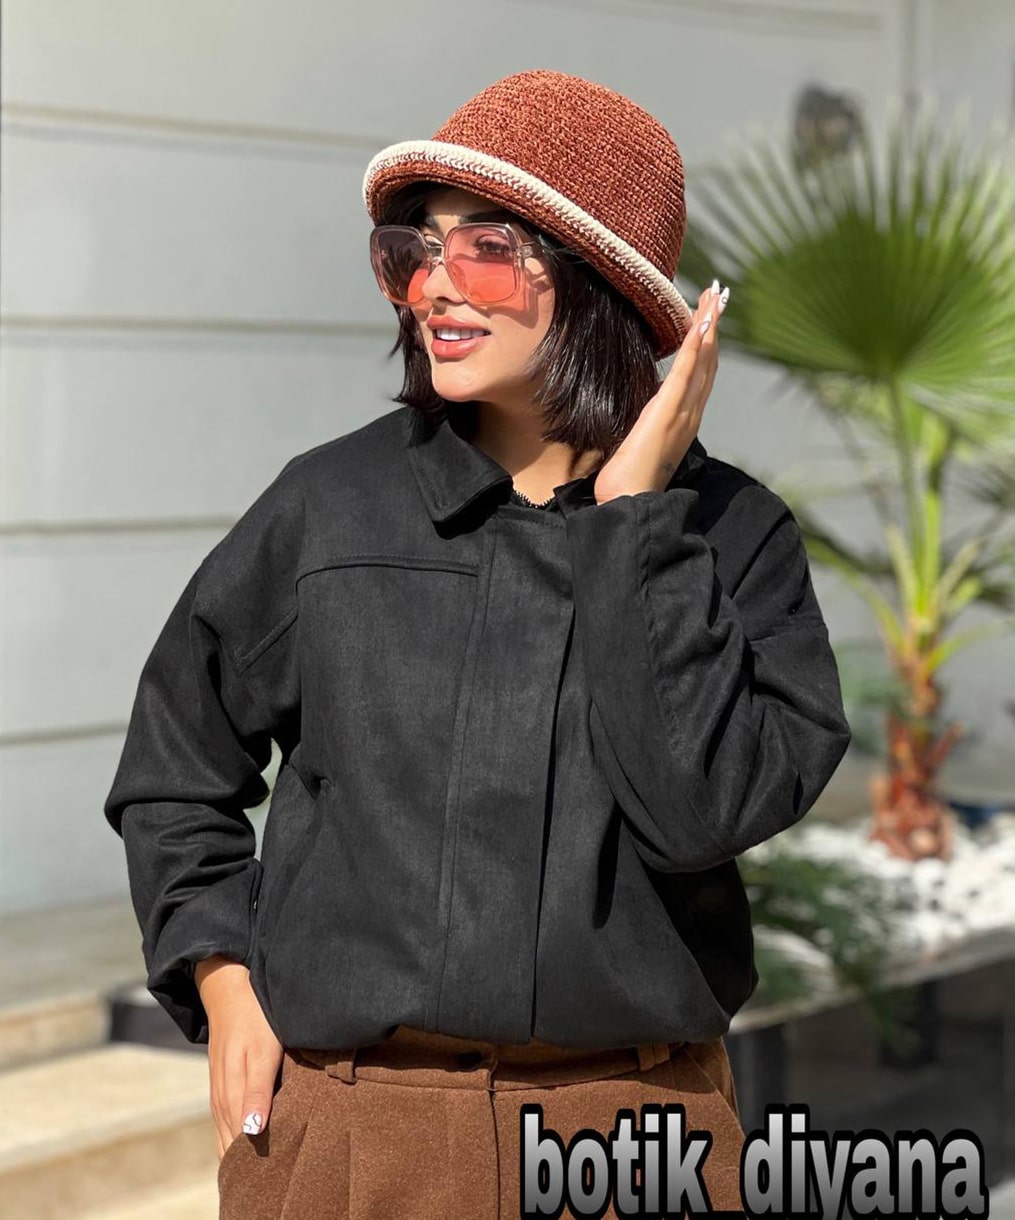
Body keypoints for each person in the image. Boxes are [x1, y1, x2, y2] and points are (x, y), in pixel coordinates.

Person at [103, 69, 851, 1219]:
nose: (434, 287)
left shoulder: (729, 536)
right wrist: (221, 972)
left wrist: (635, 523)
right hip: (351, 1137)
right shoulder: (329, 508)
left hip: (633, 1138)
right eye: (413, 253)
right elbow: (174, 765)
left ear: (597, 280)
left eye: (486, 250)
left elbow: (699, 811)